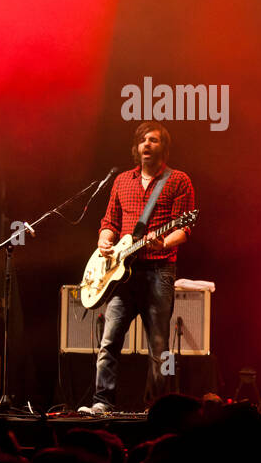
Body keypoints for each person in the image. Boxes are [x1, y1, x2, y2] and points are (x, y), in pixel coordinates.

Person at [78, 123, 195, 414]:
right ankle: (102, 402)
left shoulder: (178, 180)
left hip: (159, 271)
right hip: (121, 274)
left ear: (162, 147)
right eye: (142, 140)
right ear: (136, 147)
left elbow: (185, 227)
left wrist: (163, 243)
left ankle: (155, 409)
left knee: (159, 348)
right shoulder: (121, 181)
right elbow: (110, 223)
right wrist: (105, 241)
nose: (147, 144)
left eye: (153, 140)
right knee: (109, 342)